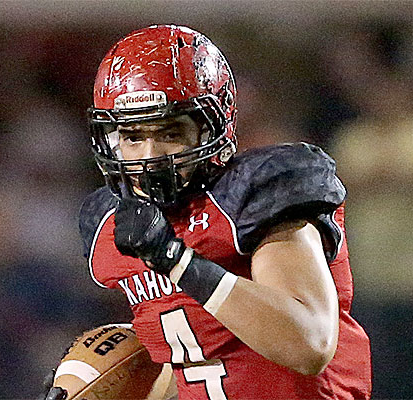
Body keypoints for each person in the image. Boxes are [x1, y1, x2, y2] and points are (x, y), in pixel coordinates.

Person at [42, 25, 371, 400]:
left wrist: (177, 260)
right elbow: (190, 362)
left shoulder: (255, 195)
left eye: (169, 132)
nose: (150, 156)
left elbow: (309, 343)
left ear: (210, 128)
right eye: (133, 137)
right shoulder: (110, 224)